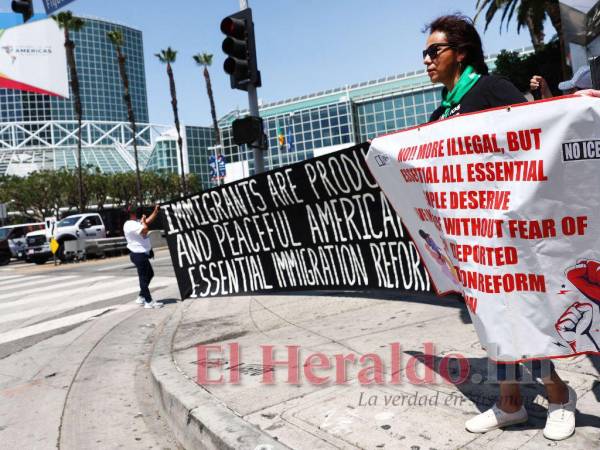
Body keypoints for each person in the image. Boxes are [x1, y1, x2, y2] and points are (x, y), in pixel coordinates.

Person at [423, 14, 576, 441]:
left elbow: (533, 136)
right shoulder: (441, 111)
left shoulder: (490, 89)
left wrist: (548, 103)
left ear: (461, 52)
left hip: (506, 233)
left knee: (519, 317)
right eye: (425, 53)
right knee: (490, 320)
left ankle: (560, 393)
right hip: (468, 240)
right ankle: (510, 402)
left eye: (435, 51)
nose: (427, 61)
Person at [124, 204, 163, 309]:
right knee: (143, 277)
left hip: (142, 253)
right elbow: (145, 229)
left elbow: (147, 222)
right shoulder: (129, 224)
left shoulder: (135, 222)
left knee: (149, 274)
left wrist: (155, 211)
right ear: (132, 213)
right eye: (135, 211)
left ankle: (141, 296)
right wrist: (144, 221)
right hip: (138, 254)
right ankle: (148, 301)